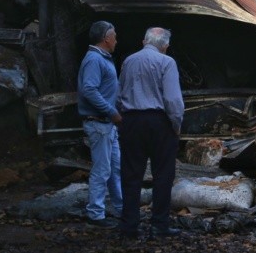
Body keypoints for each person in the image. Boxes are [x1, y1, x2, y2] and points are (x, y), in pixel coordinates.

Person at [118, 27, 184, 239]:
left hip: (131, 120)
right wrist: (176, 124)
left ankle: (129, 227)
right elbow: (172, 100)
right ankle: (159, 226)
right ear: (165, 46)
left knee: (131, 175)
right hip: (159, 122)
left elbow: (119, 95)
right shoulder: (167, 62)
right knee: (163, 175)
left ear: (143, 41)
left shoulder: (129, 61)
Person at [77, 21, 122, 229]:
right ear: (106, 38)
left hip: (106, 125)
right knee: (102, 170)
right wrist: (111, 111)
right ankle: (95, 214)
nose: (116, 40)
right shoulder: (95, 59)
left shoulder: (101, 58)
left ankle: (121, 208)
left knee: (114, 168)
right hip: (99, 123)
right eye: (114, 36)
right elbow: (89, 89)